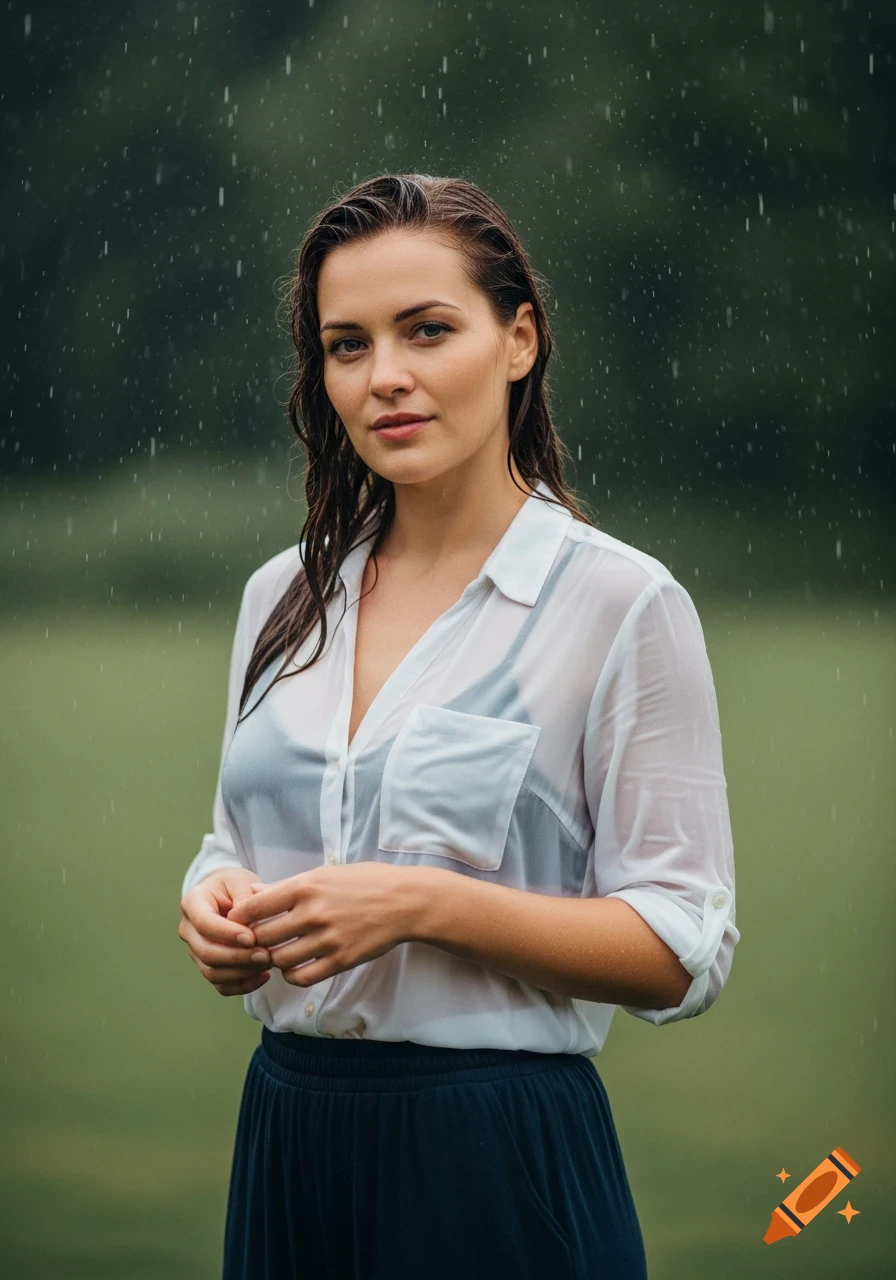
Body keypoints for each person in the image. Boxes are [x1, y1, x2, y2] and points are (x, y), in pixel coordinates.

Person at [177, 173, 739, 1280]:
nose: (383, 375)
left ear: (518, 340)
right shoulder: (281, 596)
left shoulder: (620, 604)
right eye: (347, 345)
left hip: (492, 1150)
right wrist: (215, 900)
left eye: (426, 330)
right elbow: (234, 840)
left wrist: (422, 905)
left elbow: (684, 947)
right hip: (286, 1136)